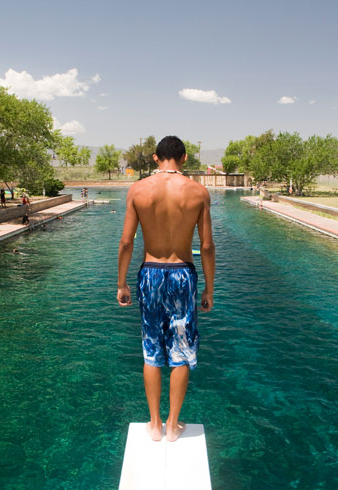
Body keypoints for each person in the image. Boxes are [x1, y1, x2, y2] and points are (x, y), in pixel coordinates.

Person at [117, 135, 215, 443]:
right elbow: (208, 246)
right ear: (184, 158)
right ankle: (174, 425)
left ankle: (155, 424)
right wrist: (209, 289)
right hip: (183, 275)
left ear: (156, 158)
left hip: (150, 274)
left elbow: (127, 242)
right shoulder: (198, 192)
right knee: (181, 351)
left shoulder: (138, 190)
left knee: (151, 349)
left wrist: (121, 283)